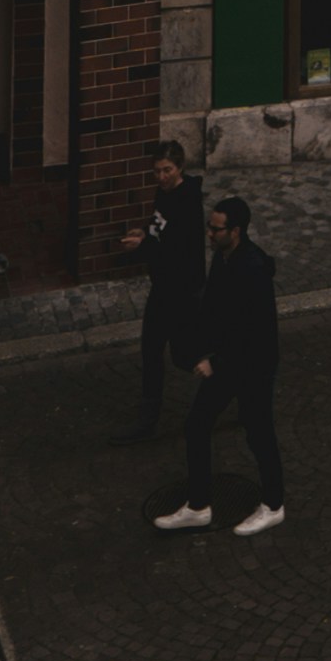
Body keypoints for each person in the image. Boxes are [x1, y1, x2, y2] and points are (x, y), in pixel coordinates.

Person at [153, 194, 284, 537]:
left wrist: (215, 362)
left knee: (259, 434)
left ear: (236, 231)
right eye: (209, 228)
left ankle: (273, 506)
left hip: (253, 367)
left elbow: (255, 333)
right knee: (197, 425)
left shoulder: (251, 271)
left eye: (216, 229)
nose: (209, 234)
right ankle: (198, 506)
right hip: (231, 363)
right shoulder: (223, 259)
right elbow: (214, 313)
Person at [117, 138, 204, 443]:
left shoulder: (187, 202)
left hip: (181, 292)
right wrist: (144, 230)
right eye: (157, 171)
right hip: (165, 288)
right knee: (153, 350)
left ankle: (233, 383)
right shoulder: (165, 193)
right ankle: (147, 420)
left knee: (184, 355)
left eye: (167, 170)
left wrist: (142, 246)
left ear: (180, 168)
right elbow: (158, 225)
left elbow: (173, 247)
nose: (161, 177)